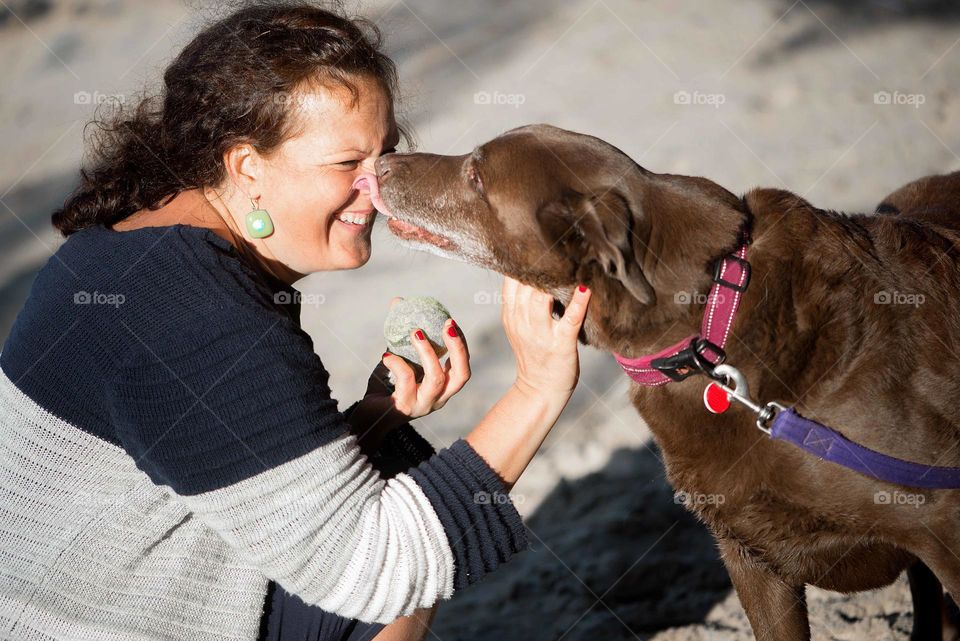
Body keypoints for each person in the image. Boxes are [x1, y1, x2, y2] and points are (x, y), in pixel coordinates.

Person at [0, 3, 591, 641]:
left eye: (385, 155)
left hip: (62, 605)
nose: (377, 188)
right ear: (246, 165)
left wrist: (378, 419)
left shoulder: (129, 245)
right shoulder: (208, 318)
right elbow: (382, 569)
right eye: (346, 163)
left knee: (381, 473)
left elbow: (213, 472)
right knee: (402, 548)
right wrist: (538, 387)